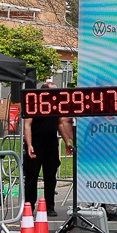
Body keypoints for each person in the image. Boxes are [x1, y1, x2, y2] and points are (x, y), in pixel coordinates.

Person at [23, 82, 74, 217]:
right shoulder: (33, 105)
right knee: (32, 176)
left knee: (50, 177)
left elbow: (60, 124)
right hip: (36, 144)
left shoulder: (56, 106)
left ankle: (50, 206)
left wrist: (67, 141)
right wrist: (29, 144)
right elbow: (27, 125)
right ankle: (29, 206)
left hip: (51, 145)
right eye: (53, 91)